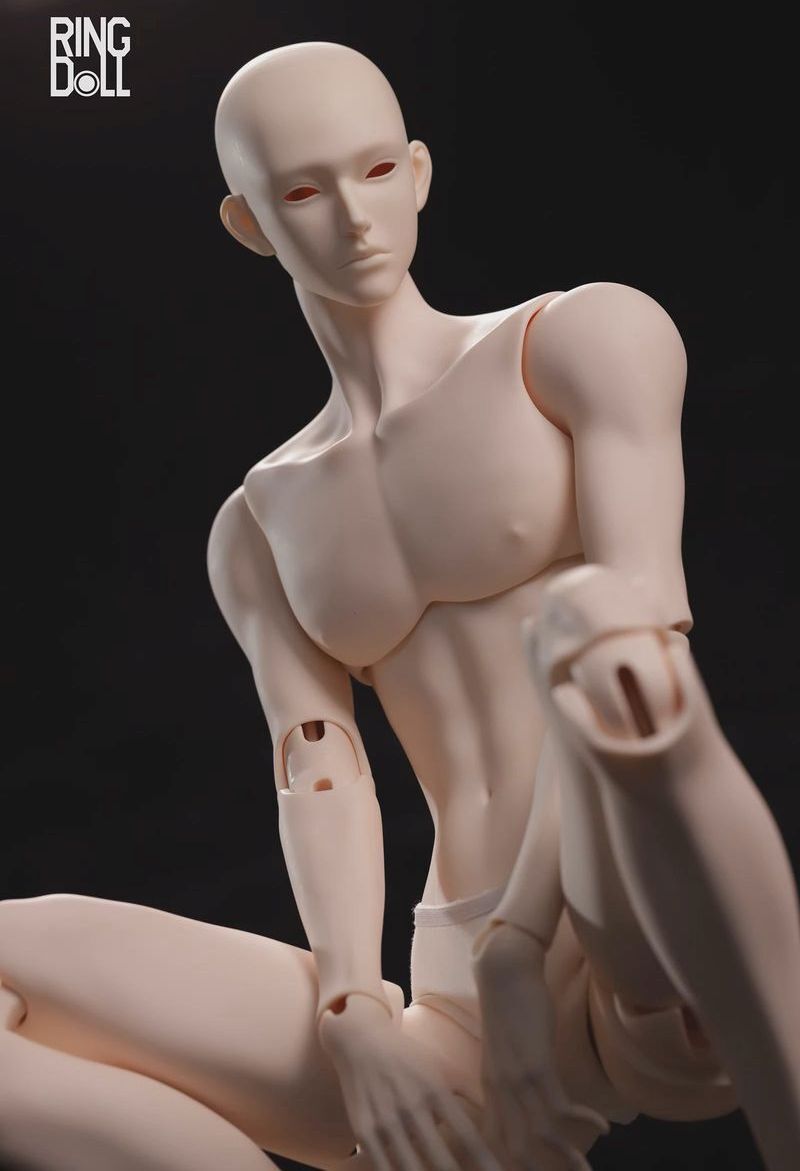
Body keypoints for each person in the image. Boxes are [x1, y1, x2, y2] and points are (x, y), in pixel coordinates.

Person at [0, 39, 797, 1171]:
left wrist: (523, 944)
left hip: (636, 914)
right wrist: (356, 1013)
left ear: (418, 172)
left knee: (606, 641)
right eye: (303, 193)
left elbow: (639, 650)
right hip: (457, 978)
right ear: (248, 223)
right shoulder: (260, 524)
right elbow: (316, 767)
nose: (355, 218)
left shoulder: (577, 342)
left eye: (376, 171)